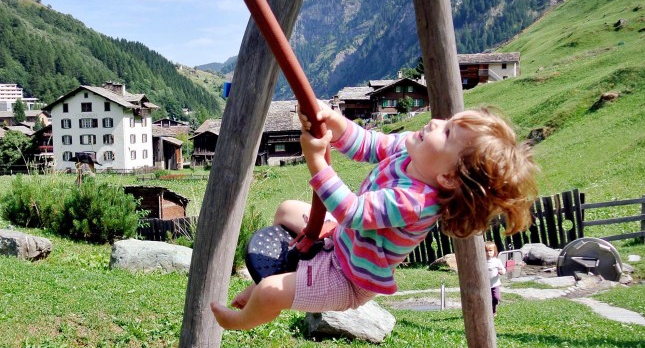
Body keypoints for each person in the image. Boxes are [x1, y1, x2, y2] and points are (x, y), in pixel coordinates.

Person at [210, 103, 538, 330]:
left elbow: (352, 212)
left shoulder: (417, 202)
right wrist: (333, 121)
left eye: (449, 133)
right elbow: (368, 144)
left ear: (449, 178)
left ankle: (242, 318)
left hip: (348, 277)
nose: (437, 122)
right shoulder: (412, 150)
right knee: (286, 209)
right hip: (341, 240)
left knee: (270, 292)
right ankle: (286, 278)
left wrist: (316, 162)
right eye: (448, 121)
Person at [485, 241, 506, 316]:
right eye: (486, 251)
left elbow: (503, 269)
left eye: (490, 251)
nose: (488, 253)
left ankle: (493, 310)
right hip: (485, 285)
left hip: (495, 284)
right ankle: (487, 312)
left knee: (496, 298)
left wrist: (502, 271)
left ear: (494, 251)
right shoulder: (482, 261)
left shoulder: (497, 261)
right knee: (486, 299)